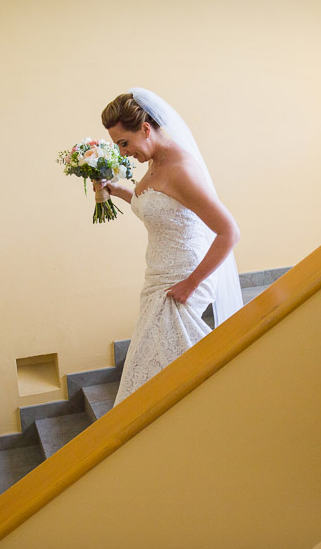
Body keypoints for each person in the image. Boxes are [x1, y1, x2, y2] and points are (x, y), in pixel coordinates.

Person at [95, 88, 242, 405]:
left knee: (156, 369)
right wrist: (115, 189)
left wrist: (191, 284)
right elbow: (157, 207)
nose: (122, 153)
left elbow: (229, 232)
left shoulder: (181, 169)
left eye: (124, 143)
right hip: (157, 277)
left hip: (182, 278)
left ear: (145, 129)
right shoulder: (156, 162)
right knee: (152, 365)